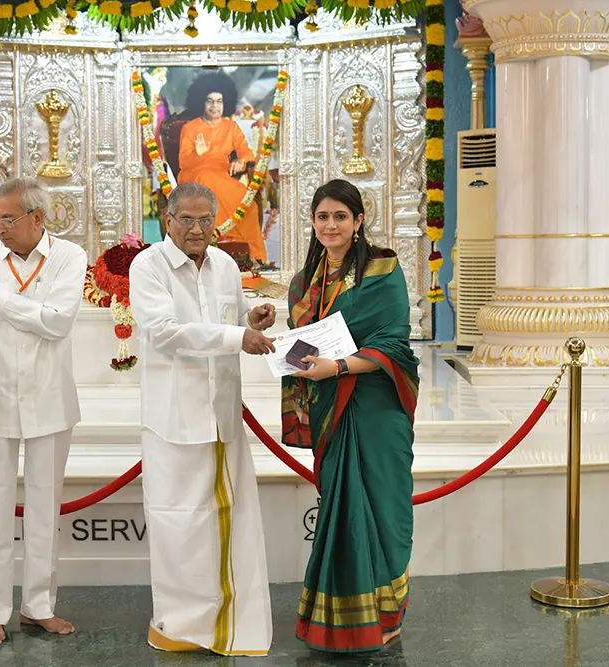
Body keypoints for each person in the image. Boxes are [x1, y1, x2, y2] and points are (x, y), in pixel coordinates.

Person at [129, 181, 276, 656]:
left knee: (230, 519)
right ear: (167, 220)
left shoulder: (225, 265)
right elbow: (164, 333)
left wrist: (253, 320)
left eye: (205, 220)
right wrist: (237, 337)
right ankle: (179, 626)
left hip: (222, 414)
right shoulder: (147, 266)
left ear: (216, 222)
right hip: (174, 419)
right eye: (186, 219)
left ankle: (230, 620)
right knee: (179, 524)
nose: (196, 229)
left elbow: (233, 319)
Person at [0, 177, 86, 647]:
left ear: (37, 218)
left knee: (45, 508)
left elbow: (56, 323)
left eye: (8, 219)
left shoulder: (68, 257)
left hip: (50, 401)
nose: (0, 228)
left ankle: (39, 606)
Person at [281, 179, 418, 653]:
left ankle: (387, 614)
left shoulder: (383, 269)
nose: (331, 225)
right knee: (343, 512)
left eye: (341, 216)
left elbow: (394, 342)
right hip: (330, 408)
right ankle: (342, 621)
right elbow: (300, 342)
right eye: (323, 216)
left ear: (358, 220)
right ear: (312, 221)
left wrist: (337, 366)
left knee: (383, 509)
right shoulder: (304, 282)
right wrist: (290, 354)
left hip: (375, 407)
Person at [176, 73, 266, 263]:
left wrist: (241, 160)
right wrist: (198, 154)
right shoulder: (190, 128)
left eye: (219, 101)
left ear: (226, 103)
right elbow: (183, 162)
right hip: (195, 173)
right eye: (209, 101)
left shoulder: (230, 126)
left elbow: (246, 152)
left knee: (249, 204)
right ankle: (213, 247)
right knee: (206, 178)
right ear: (202, 103)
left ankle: (252, 255)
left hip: (221, 175)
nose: (214, 106)